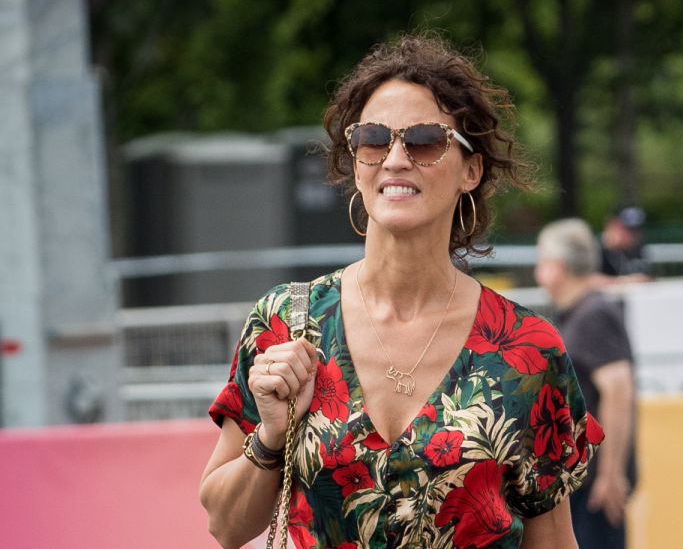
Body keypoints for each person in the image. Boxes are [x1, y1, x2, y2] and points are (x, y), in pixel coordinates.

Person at [199, 32, 605, 549]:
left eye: (424, 140)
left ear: (471, 169)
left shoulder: (528, 351)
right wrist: (272, 435)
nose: (394, 159)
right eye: (372, 138)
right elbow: (223, 525)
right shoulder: (287, 321)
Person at [535, 218, 638, 549]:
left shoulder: (592, 314)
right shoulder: (577, 312)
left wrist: (610, 476)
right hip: (580, 482)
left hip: (594, 487)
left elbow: (619, 391)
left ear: (557, 267)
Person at [593, 206, 652, 285]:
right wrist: (625, 281)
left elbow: (646, 277)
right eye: (628, 230)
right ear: (612, 225)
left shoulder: (634, 249)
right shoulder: (594, 250)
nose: (634, 236)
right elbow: (587, 280)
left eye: (637, 230)